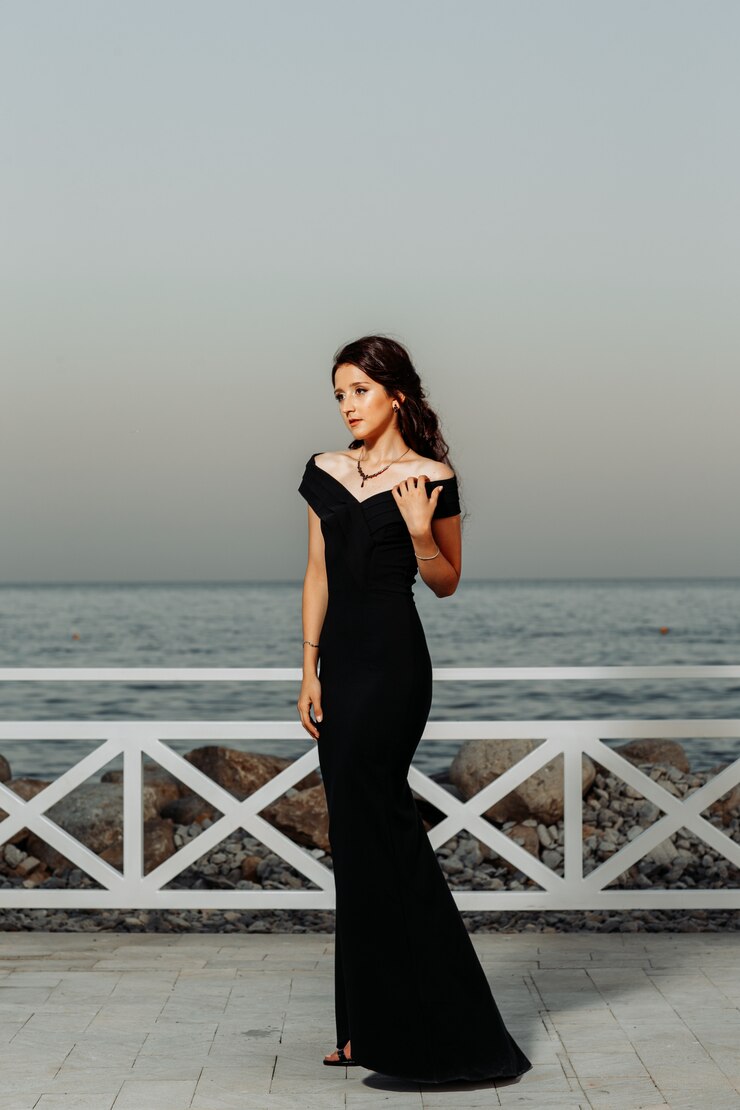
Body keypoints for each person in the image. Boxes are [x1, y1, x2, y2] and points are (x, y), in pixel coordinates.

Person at [297, 335, 532, 1084]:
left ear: (394, 393)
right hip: (340, 664)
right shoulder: (324, 472)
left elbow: (447, 582)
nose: (346, 405)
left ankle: (445, 1026)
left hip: (395, 669)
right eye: (338, 394)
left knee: (384, 831)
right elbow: (314, 570)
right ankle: (363, 1028)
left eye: (358, 391)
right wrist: (308, 667)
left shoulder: (433, 477)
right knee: (356, 841)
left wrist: (424, 533)